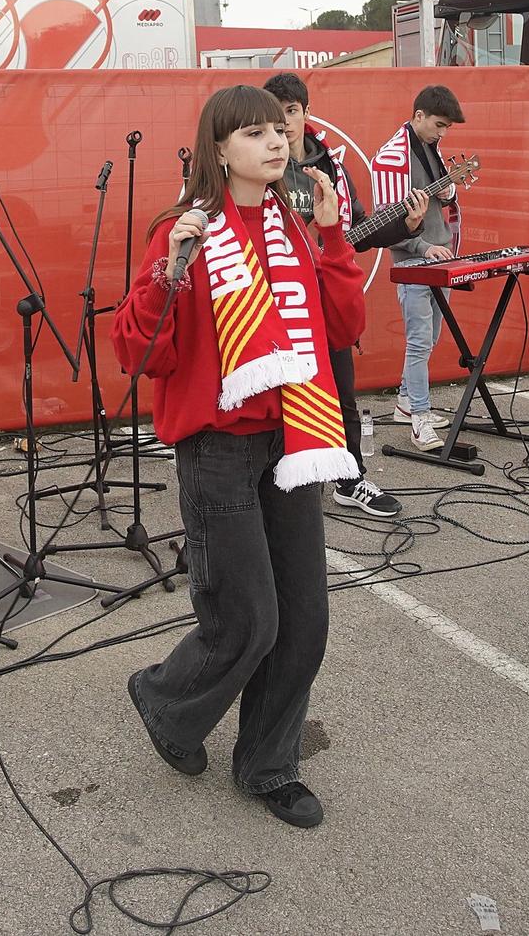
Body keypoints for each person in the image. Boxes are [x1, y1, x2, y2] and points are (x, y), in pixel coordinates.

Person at [112, 84, 364, 829]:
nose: (276, 142)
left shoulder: (294, 225)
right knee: (247, 617)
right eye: (253, 133)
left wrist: (334, 238)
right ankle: (166, 696)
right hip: (217, 444)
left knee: (304, 618)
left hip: (293, 436)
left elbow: (343, 325)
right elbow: (138, 351)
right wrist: (171, 273)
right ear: (218, 149)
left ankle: (268, 764)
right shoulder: (182, 229)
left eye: (277, 129)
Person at [263, 71, 427, 519]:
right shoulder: (260, 167)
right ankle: (279, 480)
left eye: (291, 113)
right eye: (273, 117)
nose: (284, 125)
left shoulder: (329, 165)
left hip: (324, 301)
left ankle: (349, 479)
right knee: (274, 395)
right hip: (273, 303)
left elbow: (356, 229)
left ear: (305, 112)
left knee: (341, 391)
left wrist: (406, 225)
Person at [370, 84, 466, 449]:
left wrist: (450, 192)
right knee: (419, 341)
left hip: (438, 253)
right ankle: (419, 419)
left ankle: (406, 402)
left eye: (447, 128)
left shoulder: (429, 147)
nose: (442, 133)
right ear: (419, 115)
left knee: (430, 339)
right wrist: (423, 247)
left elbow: (444, 197)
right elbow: (385, 221)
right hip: (415, 258)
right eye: (439, 125)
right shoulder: (392, 157)